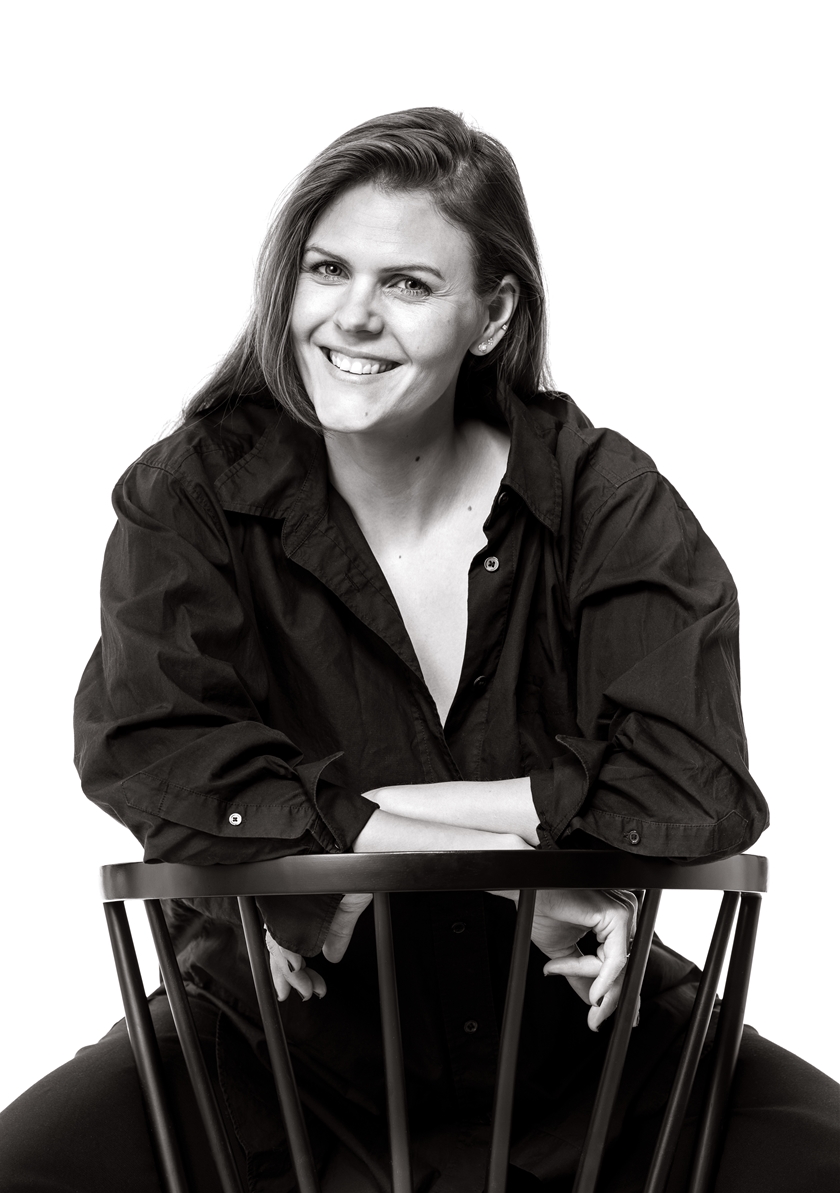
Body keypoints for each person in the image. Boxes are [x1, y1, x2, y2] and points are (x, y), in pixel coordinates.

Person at [1, 107, 836, 1192]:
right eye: (327, 269)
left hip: (590, 1053)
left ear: (493, 315)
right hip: (272, 1049)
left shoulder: (599, 495)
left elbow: (693, 785)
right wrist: (519, 870)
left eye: (407, 283)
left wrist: (349, 820)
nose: (352, 316)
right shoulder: (196, 491)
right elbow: (154, 750)